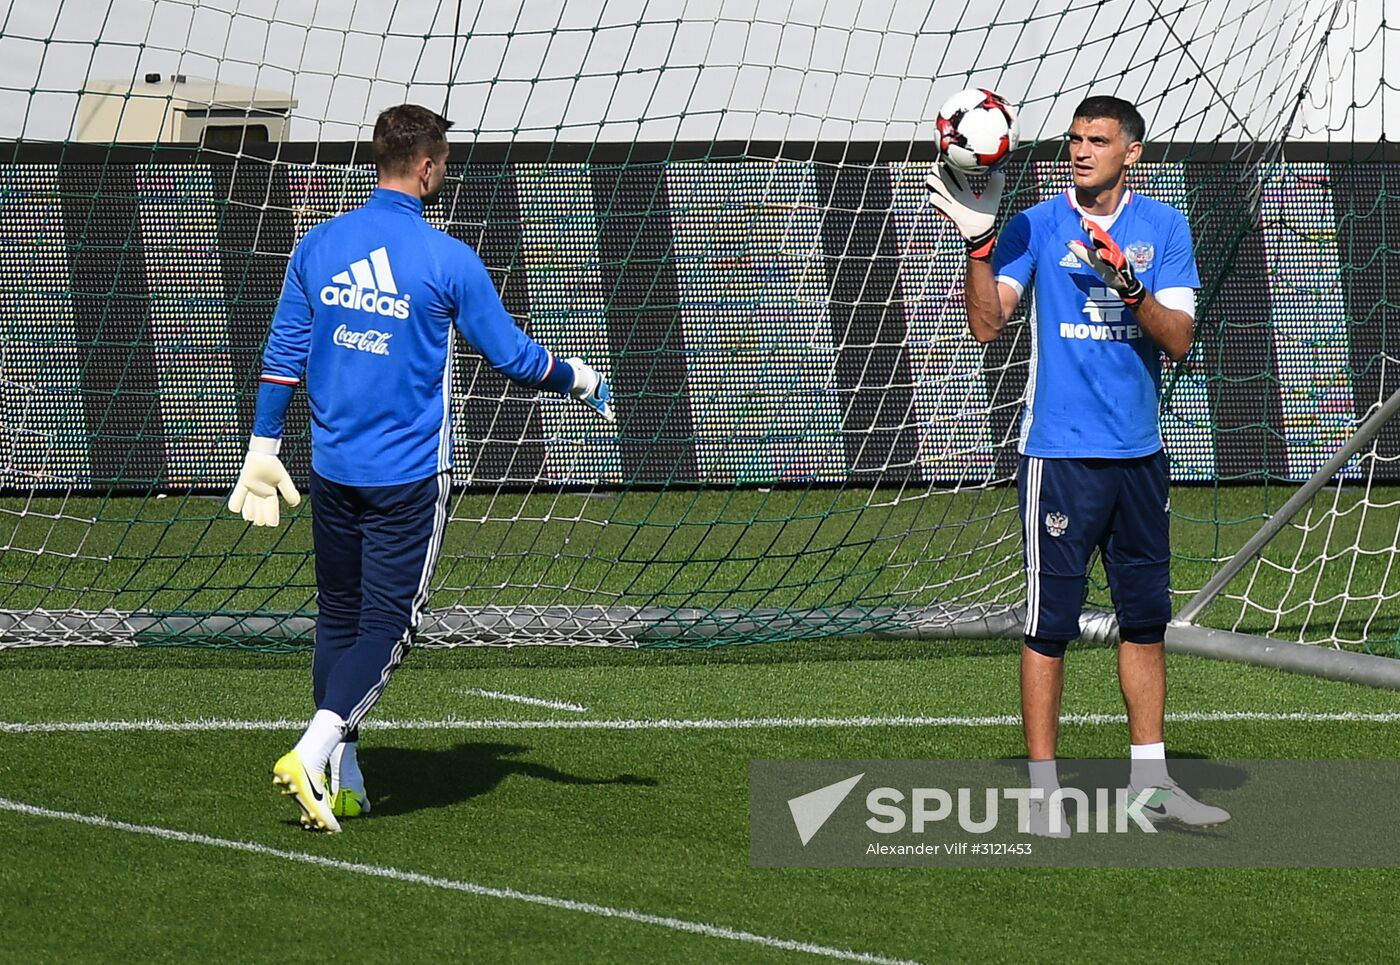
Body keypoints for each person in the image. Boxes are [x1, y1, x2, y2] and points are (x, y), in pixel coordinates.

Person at [227, 104, 614, 833]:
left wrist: (264, 446)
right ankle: (311, 753)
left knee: (338, 617)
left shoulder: (318, 244)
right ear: (428, 166)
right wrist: (579, 378)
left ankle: (347, 775)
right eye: (446, 163)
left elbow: (282, 359)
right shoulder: (447, 259)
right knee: (391, 625)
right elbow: (513, 358)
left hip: (333, 471)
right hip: (407, 476)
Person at [926, 95, 1229, 836]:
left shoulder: (1164, 227)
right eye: (1073, 139)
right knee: (1048, 626)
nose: (1081, 150)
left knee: (1146, 623)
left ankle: (1151, 786)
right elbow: (985, 326)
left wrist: (1130, 287)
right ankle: (1040, 793)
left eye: (1098, 140)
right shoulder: (1036, 223)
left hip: (1140, 459)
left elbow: (1181, 338)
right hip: (1057, 457)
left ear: (1133, 153)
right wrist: (978, 245)